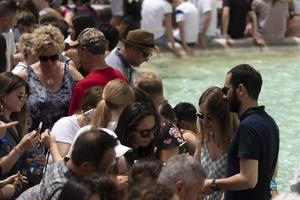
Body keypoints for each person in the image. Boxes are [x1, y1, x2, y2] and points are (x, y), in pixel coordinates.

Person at [202, 64, 280, 200]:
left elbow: (248, 179)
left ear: (240, 89)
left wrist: (212, 184)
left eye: (226, 90)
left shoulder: (247, 127)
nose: (224, 97)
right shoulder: (270, 122)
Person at [18, 25, 80, 131]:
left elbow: (88, 93)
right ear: (37, 55)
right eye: (44, 58)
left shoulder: (69, 71)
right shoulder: (25, 75)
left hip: (64, 137)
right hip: (35, 140)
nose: (49, 63)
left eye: (54, 57)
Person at [38, 128, 117, 200]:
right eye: (104, 168)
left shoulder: (60, 166)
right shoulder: (65, 193)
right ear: (86, 166)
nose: (108, 173)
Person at [68, 28, 127, 115]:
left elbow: (73, 122)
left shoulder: (82, 86)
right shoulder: (121, 78)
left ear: (84, 51)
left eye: (78, 50)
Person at [194, 87, 238, 200]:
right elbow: (194, 171)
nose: (204, 122)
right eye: (201, 116)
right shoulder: (203, 139)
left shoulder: (235, 142)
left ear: (222, 117)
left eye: (209, 117)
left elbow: (235, 184)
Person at [0, 72, 39, 180]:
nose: (23, 101)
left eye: (25, 97)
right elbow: (2, 168)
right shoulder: (2, 126)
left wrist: (32, 158)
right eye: (19, 96)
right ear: (3, 96)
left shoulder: (15, 121)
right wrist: (21, 147)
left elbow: (18, 160)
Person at [115, 102, 159, 171]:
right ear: (128, 130)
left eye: (154, 129)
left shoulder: (147, 148)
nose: (152, 136)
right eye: (145, 133)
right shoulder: (117, 156)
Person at [0, 0, 18, 70]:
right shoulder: (2, 39)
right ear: (7, 20)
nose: (15, 24)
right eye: (15, 19)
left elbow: (10, 58)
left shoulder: (9, 33)